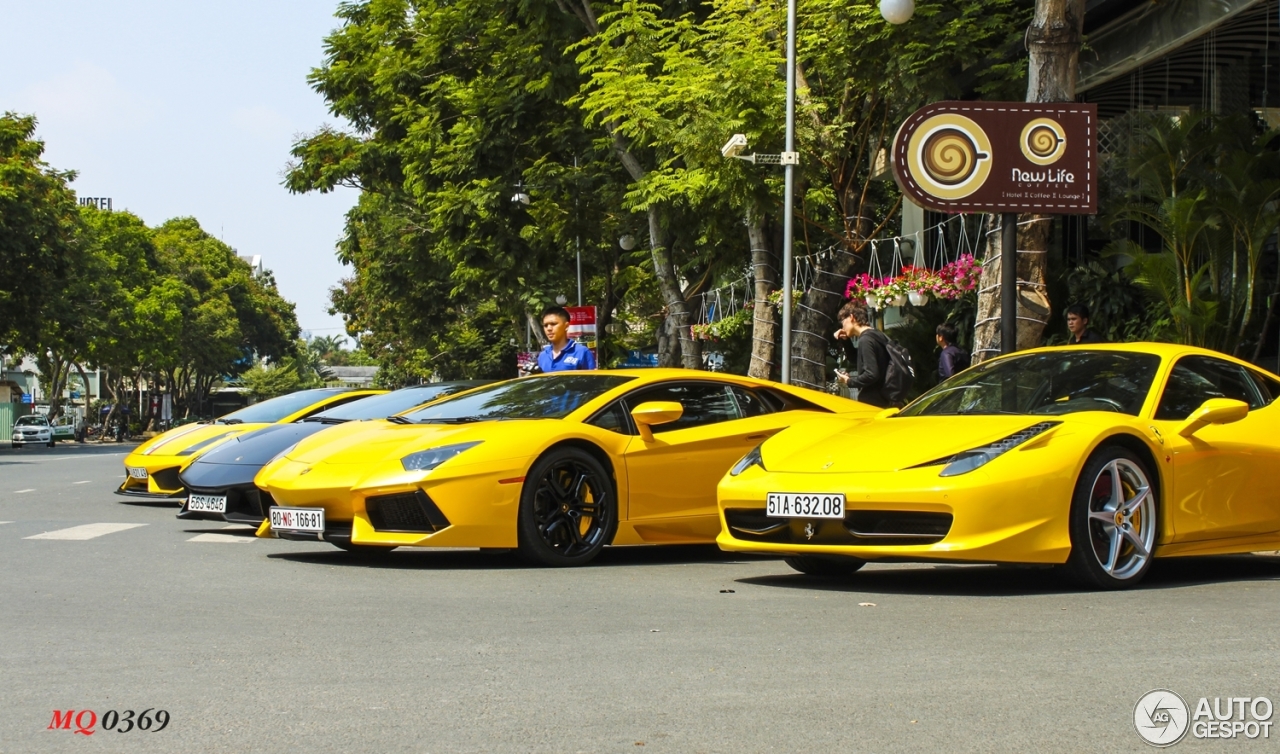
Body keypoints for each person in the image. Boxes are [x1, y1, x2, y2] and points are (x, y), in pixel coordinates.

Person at [832, 300, 894, 408]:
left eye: (843, 322)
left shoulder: (865, 339)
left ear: (851, 317)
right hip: (885, 397)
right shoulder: (876, 335)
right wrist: (845, 341)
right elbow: (857, 359)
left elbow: (871, 374)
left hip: (874, 402)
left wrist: (849, 381)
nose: (842, 327)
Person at [536, 305, 597, 373]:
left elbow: (592, 381)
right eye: (545, 325)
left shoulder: (582, 352)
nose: (549, 328)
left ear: (566, 326)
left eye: (553, 324)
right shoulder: (543, 355)